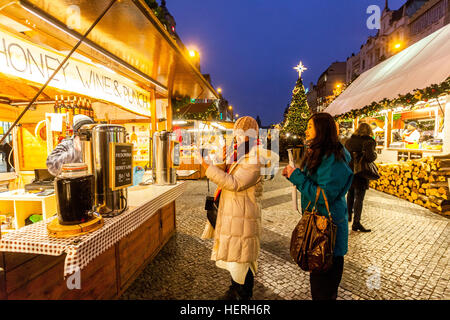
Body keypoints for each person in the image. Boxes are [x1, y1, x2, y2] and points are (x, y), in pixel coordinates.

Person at [282, 112, 353, 300]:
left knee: (323, 290)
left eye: (310, 126)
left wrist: (296, 176)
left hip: (328, 232)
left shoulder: (334, 158)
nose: (306, 130)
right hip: (318, 228)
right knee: (320, 287)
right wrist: (295, 173)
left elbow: (324, 196)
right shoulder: (320, 152)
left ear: (321, 130)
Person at [195, 116, 264, 300]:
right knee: (235, 255)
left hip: (243, 214)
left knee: (244, 258)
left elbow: (235, 183)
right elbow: (224, 171)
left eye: (242, 133)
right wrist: (220, 158)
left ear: (252, 134)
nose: (238, 136)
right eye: (236, 132)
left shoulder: (255, 155)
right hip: (233, 212)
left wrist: (207, 167)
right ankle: (235, 289)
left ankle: (243, 295)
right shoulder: (237, 153)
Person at [345, 123, 377, 232]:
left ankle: (348, 216)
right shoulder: (369, 141)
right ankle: (356, 223)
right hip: (361, 172)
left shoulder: (349, 141)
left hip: (349, 171)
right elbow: (370, 157)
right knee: (359, 197)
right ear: (369, 131)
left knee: (350, 193)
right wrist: (375, 154)